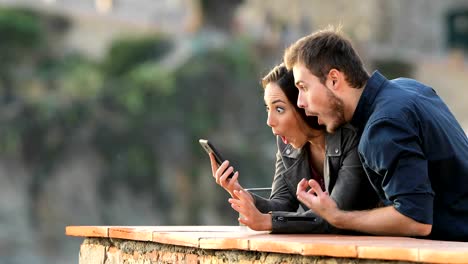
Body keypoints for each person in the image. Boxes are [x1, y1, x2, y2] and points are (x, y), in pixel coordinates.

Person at [284, 26, 468, 241]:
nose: (300, 102)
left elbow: (415, 219)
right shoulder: (408, 88)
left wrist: (337, 217)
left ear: (334, 79)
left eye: (303, 87)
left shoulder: (383, 126)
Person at [210, 63, 378, 233]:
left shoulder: (351, 137)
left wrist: (269, 222)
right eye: (268, 109)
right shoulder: (287, 144)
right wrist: (239, 192)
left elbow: (335, 215)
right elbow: (281, 204)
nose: (269, 121)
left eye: (279, 109)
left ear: (303, 104)